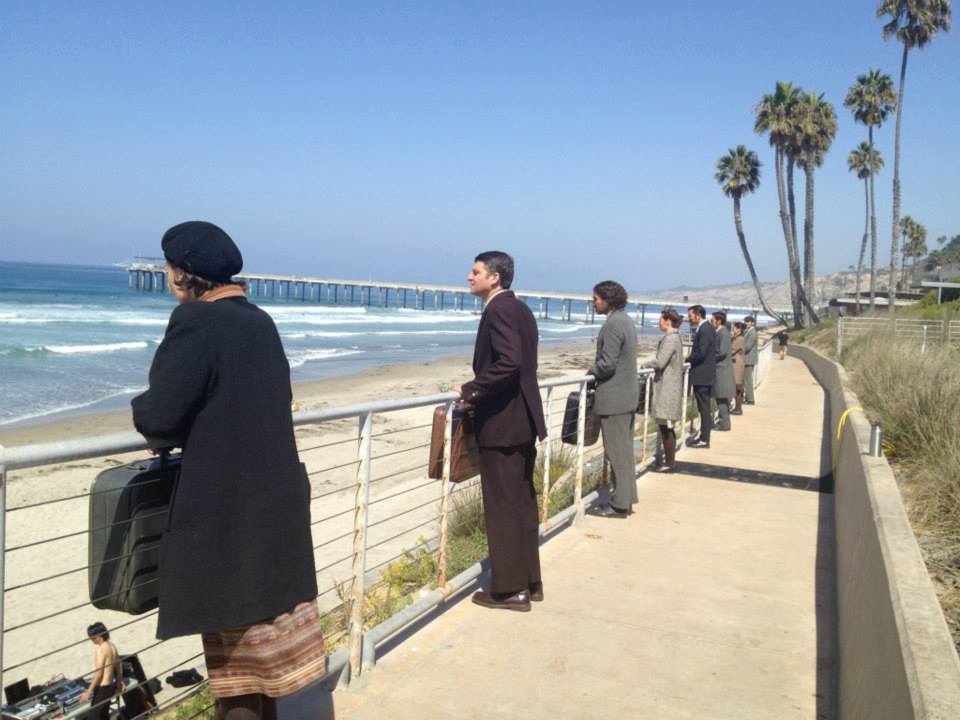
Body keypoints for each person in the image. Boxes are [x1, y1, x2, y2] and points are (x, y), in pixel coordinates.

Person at [131, 222, 324, 720]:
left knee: (235, 663)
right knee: (257, 661)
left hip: (227, 515)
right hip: (272, 505)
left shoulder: (196, 322)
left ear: (180, 274)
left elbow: (160, 416)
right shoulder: (259, 320)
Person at [458, 251, 546, 612]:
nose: (468, 277)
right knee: (521, 504)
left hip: (503, 424)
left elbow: (510, 362)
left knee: (503, 507)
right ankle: (529, 582)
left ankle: (510, 590)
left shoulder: (500, 309)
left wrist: (472, 389)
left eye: (475, 272)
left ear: (495, 277)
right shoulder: (520, 309)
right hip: (521, 420)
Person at [587, 281, 639, 518]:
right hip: (626, 396)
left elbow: (607, 363)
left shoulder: (613, 324)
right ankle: (626, 498)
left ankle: (619, 505)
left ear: (607, 299)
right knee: (624, 451)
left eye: (596, 298)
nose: (593, 302)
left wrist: (591, 372)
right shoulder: (625, 320)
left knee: (616, 452)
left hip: (614, 398)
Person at [644, 309, 685, 472]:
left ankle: (670, 464)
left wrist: (645, 365)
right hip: (670, 387)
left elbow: (660, 362)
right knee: (666, 426)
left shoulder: (670, 339)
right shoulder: (675, 337)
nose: (658, 322)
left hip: (667, 388)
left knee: (666, 426)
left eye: (660, 319)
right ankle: (669, 462)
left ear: (667, 321)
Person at [685, 305, 716, 449]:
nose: (689, 318)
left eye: (690, 315)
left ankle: (705, 439)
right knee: (704, 407)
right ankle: (703, 437)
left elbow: (702, 352)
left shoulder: (704, 329)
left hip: (702, 375)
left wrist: (688, 360)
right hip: (704, 374)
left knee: (704, 407)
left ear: (698, 315)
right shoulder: (707, 328)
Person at [81, 622, 123, 720]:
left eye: (92, 638)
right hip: (110, 687)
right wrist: (120, 681)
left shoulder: (101, 650)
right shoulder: (112, 646)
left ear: (99, 637)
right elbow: (119, 664)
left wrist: (88, 692)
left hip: (102, 689)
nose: (91, 640)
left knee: (93, 717)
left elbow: (99, 674)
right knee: (104, 715)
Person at [711, 311, 735, 432]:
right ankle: (723, 422)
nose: (711, 322)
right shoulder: (720, 332)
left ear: (719, 321)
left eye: (712, 320)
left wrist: (709, 359)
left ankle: (724, 423)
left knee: (721, 397)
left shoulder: (723, 333)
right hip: (720, 370)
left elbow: (722, 352)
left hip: (722, 371)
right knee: (720, 398)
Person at [730, 322, 746, 415]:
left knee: (737, 387)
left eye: (734, 329)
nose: (732, 330)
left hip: (737, 365)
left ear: (739, 329)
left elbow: (731, 349)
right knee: (736, 387)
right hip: (735, 365)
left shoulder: (740, 339)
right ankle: (737, 407)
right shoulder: (736, 338)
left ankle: (738, 408)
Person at [743, 316, 758, 405]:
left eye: (748, 322)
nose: (746, 323)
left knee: (747, 380)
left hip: (749, 359)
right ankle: (747, 398)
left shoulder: (753, 333)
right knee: (745, 379)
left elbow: (748, 347)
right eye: (745, 321)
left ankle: (750, 399)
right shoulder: (747, 331)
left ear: (752, 323)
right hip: (746, 359)